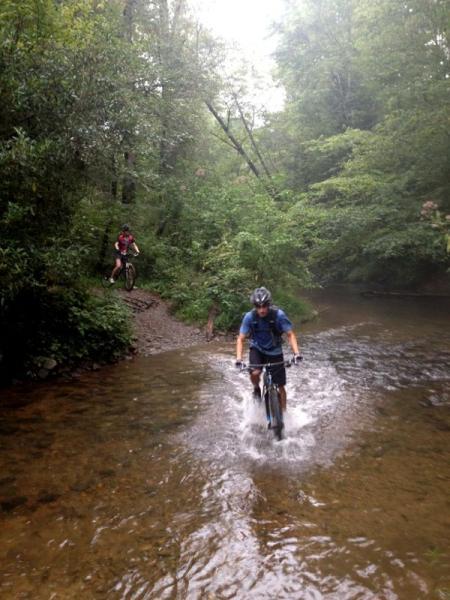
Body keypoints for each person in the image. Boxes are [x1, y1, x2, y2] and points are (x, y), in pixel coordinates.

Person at [235, 287, 302, 412]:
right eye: (258, 306)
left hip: (275, 350)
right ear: (254, 306)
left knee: (281, 386)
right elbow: (241, 339)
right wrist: (239, 359)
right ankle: (256, 387)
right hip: (257, 348)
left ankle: (283, 414)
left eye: (264, 306)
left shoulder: (279, 315)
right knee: (255, 373)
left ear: (269, 304)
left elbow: (290, 335)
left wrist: (296, 354)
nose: (261, 310)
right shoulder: (249, 317)